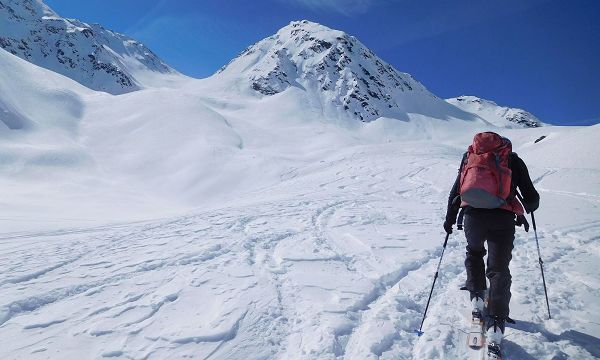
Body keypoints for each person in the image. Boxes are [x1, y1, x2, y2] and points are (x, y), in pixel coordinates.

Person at [443, 132, 540, 351]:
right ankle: (496, 322)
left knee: (474, 253)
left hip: (472, 217)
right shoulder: (512, 159)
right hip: (502, 219)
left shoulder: (469, 157)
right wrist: (527, 209)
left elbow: (456, 191)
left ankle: (477, 298)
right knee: (498, 269)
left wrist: (449, 220)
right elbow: (531, 197)